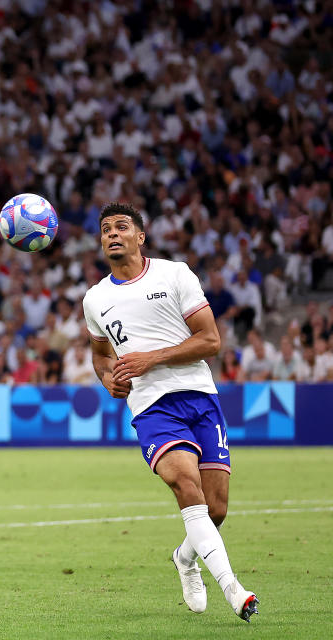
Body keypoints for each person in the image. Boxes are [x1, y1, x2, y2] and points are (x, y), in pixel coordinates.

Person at [82, 202, 258, 622]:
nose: (112, 233)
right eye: (106, 228)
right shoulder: (95, 299)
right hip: (151, 407)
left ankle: (184, 557)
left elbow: (210, 340)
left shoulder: (175, 274)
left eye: (121, 227)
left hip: (199, 396)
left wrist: (151, 358)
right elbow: (101, 356)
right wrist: (110, 380)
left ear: (140, 237)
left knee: (215, 510)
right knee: (184, 482)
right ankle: (234, 590)